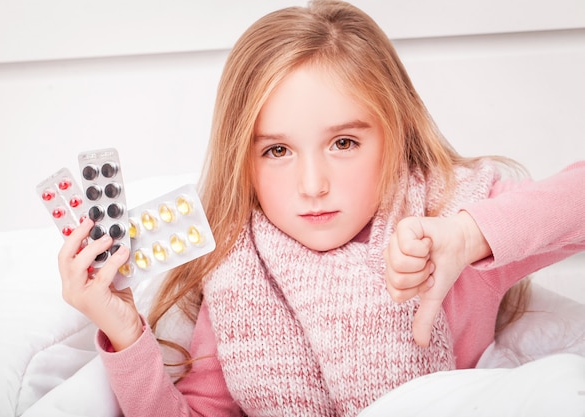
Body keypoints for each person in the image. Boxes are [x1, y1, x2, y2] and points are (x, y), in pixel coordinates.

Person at [58, 1, 585, 416]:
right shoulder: (237, 272)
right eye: (278, 151)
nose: (313, 185)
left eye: (344, 144)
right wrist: (126, 330)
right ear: (243, 159)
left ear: (394, 136)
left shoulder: (447, 222)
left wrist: (471, 237)